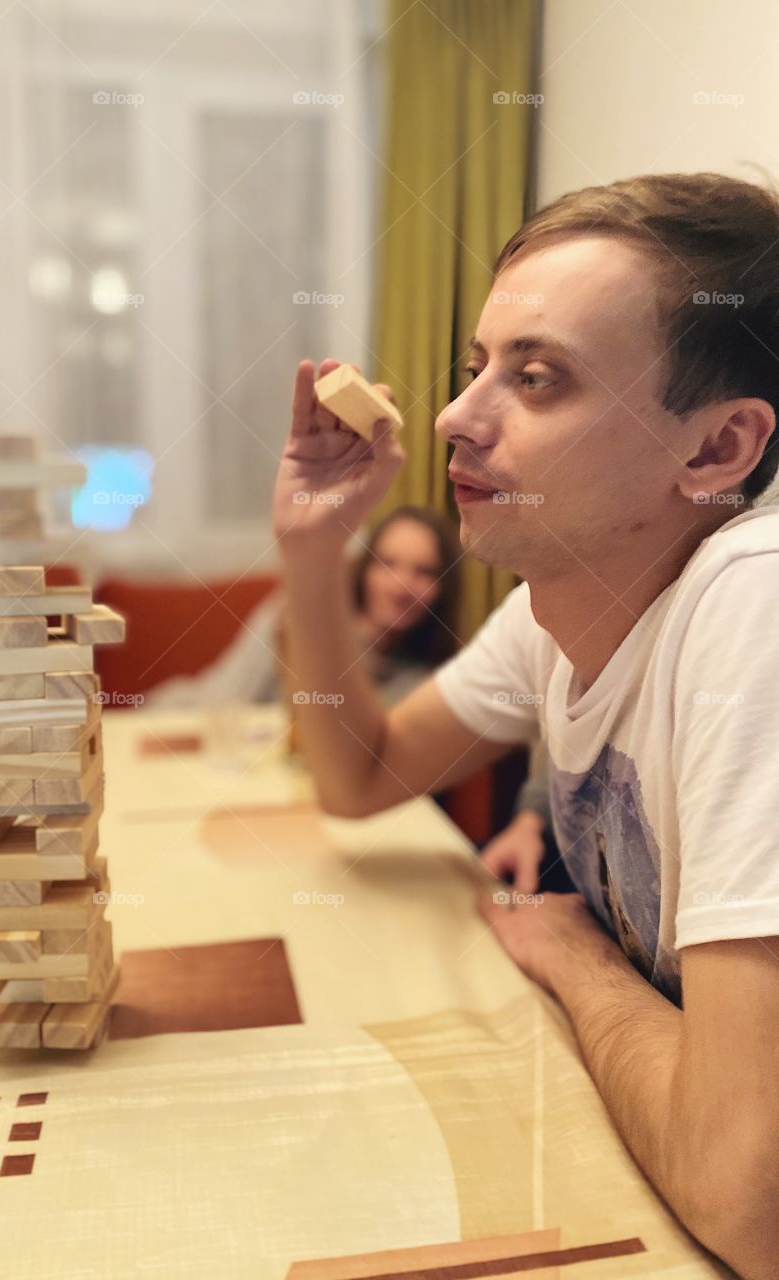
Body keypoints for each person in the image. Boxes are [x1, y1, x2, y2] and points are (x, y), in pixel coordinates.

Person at [271, 172, 779, 1280]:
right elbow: (359, 780)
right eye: (474, 368)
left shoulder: (756, 603)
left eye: (537, 379)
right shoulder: (555, 609)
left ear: (716, 450)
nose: (455, 415)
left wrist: (577, 953)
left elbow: (753, 1200)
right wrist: (316, 550)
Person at [146, 505, 462, 711]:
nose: (402, 586)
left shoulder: (428, 677)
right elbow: (223, 705)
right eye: (388, 564)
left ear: (443, 588)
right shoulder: (298, 614)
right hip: (184, 717)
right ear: (365, 570)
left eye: (424, 572)